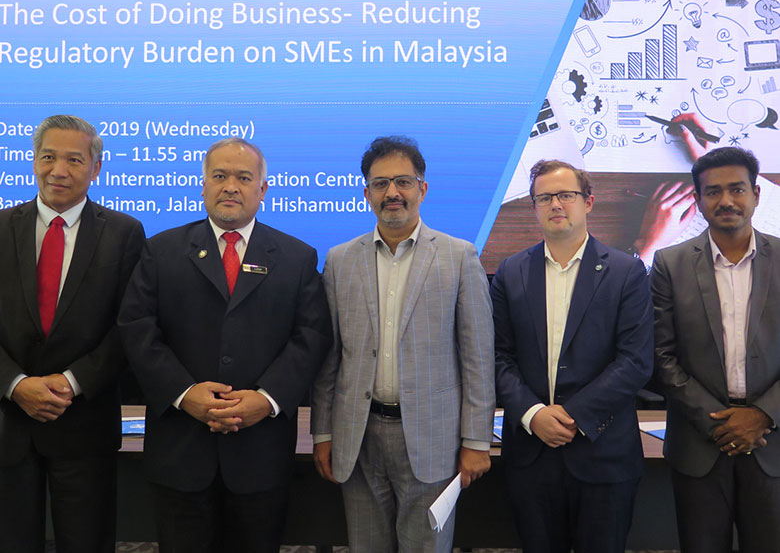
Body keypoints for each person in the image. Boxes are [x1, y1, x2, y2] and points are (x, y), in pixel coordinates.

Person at [118, 137, 332, 553]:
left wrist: (266, 399)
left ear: (263, 189)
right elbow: (136, 328)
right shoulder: (161, 251)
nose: (230, 186)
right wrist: (184, 393)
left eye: (244, 178)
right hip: (181, 451)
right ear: (203, 186)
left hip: (260, 453)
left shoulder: (297, 257)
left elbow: (312, 336)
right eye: (219, 176)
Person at [310, 136, 495, 552]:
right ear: (367, 194)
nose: (392, 192)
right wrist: (322, 432)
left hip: (433, 439)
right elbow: (330, 358)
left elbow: (478, 359)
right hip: (357, 439)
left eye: (403, 182)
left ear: (422, 189)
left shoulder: (459, 257)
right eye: (380, 184)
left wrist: (476, 441)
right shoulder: (339, 260)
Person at [491, 159, 653, 553]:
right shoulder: (510, 272)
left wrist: (573, 415)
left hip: (603, 451)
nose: (555, 204)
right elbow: (496, 356)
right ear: (534, 207)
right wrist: (534, 414)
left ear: (588, 202)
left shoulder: (626, 272)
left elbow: (635, 361)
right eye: (544, 197)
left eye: (566, 195)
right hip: (531, 453)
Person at [0, 115, 145, 552]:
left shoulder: (124, 233)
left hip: (85, 422)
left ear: (96, 168)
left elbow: (130, 326)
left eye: (74, 160)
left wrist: (71, 382)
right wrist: (15, 384)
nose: (58, 171)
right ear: (33, 161)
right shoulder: (1, 228)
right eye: (48, 157)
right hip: (8, 424)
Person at [651, 146, 780, 553]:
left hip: (772, 442)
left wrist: (762, 415)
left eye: (737, 189)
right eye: (713, 191)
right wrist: (721, 424)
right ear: (698, 199)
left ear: (756, 194)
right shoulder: (669, 264)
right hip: (699, 443)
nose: (726, 200)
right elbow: (661, 356)